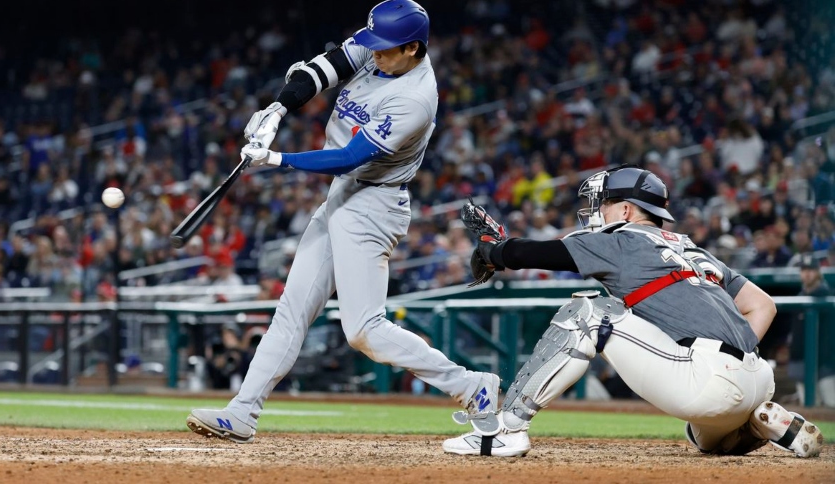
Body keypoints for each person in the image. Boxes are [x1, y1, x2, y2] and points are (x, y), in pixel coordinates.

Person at [187, 0, 498, 443]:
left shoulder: (415, 98)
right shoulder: (384, 45)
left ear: (413, 48)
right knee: (291, 311)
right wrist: (278, 109)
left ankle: (472, 387)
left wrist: (277, 158)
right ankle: (242, 413)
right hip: (344, 197)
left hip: (374, 204)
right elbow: (325, 68)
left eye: (385, 49)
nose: (374, 54)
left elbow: (350, 157)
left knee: (364, 330)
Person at [443, 166, 823, 458]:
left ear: (625, 209)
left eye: (603, 204)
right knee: (704, 438)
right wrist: (734, 358)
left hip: (708, 378)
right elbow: (763, 305)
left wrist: (496, 250)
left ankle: (506, 429)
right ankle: (757, 427)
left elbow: (536, 253)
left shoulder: (622, 238)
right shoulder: (691, 248)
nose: (597, 212)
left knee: (588, 312)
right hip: (756, 378)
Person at [786, 254, 835, 407]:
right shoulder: (800, 297)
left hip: (827, 363)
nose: (807, 273)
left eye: (811, 270)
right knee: (809, 408)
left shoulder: (828, 296)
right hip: (803, 361)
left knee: (831, 404)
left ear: (818, 272)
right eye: (804, 270)